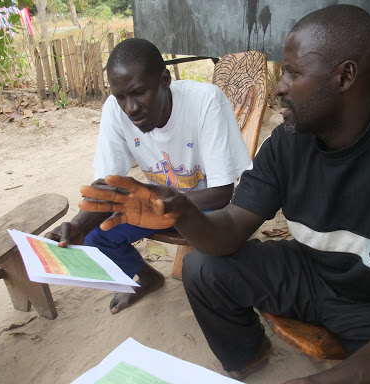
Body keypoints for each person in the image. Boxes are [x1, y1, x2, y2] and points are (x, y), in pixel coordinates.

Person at [77, 5, 370, 384]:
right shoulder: (286, 144)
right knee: (203, 269)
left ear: (344, 77)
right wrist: (179, 210)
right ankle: (248, 356)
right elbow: (230, 226)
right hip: (313, 275)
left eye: (292, 73)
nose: (279, 86)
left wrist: (337, 378)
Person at [46, 38, 251, 314]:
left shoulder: (205, 101)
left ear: (165, 80)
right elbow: (108, 185)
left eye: (139, 93)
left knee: (210, 265)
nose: (130, 108)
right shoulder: (114, 110)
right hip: (153, 205)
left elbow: (222, 192)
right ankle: (149, 277)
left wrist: (152, 203)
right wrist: (78, 225)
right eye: (121, 97)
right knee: (96, 237)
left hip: (205, 206)